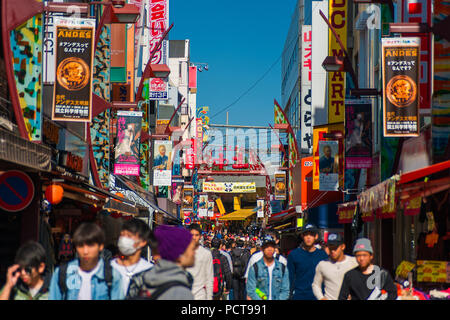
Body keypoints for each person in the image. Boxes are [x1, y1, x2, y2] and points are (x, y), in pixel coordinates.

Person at [49, 223, 124, 300]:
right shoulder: (62, 273)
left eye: (91, 245)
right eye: (81, 245)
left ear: (101, 246)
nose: (85, 251)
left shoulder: (112, 275)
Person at [126, 225, 195, 300]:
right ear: (179, 254)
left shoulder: (140, 279)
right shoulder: (181, 292)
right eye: (192, 249)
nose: (194, 253)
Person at [111, 219, 153, 296]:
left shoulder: (150, 271)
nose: (124, 240)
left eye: (129, 236)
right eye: (122, 235)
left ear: (143, 241)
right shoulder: (108, 268)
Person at [287, 224, 328, 300]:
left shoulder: (323, 255)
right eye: (306, 235)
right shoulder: (294, 255)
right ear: (302, 236)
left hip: (319, 296)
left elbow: (328, 277)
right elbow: (290, 278)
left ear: (316, 237)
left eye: (311, 235)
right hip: (299, 296)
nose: (308, 237)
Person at [312, 233, 358, 300]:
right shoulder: (322, 264)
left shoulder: (354, 262)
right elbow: (315, 285)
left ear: (342, 246)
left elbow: (362, 281)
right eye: (330, 248)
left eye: (335, 248)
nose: (333, 251)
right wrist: (321, 298)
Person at [186, 223, 214, 300]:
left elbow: (209, 278)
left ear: (200, 236)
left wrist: (209, 298)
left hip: (200, 295)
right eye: (192, 235)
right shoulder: (181, 252)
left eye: (196, 235)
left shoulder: (206, 254)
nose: (194, 237)